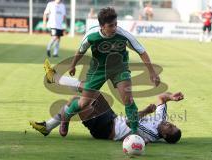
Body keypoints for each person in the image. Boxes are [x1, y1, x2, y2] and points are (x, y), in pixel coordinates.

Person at [62, 7, 160, 137]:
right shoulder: (91, 36)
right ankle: (66, 117)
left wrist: (152, 72)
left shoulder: (123, 35)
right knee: (84, 103)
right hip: (98, 70)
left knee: (128, 98)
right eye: (110, 25)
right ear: (102, 26)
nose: (114, 28)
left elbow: (141, 51)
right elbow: (81, 51)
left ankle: (135, 134)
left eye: (116, 24)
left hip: (119, 69)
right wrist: (73, 66)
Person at [30, 62, 183, 144]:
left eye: (170, 128)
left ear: (163, 135)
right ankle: (48, 125)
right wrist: (171, 97)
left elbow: (131, 121)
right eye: (173, 125)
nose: (170, 124)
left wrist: (145, 111)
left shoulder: (152, 134)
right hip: (112, 118)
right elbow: (162, 98)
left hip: (106, 130)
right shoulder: (161, 121)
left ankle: (55, 84)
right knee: (92, 91)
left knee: (77, 101)